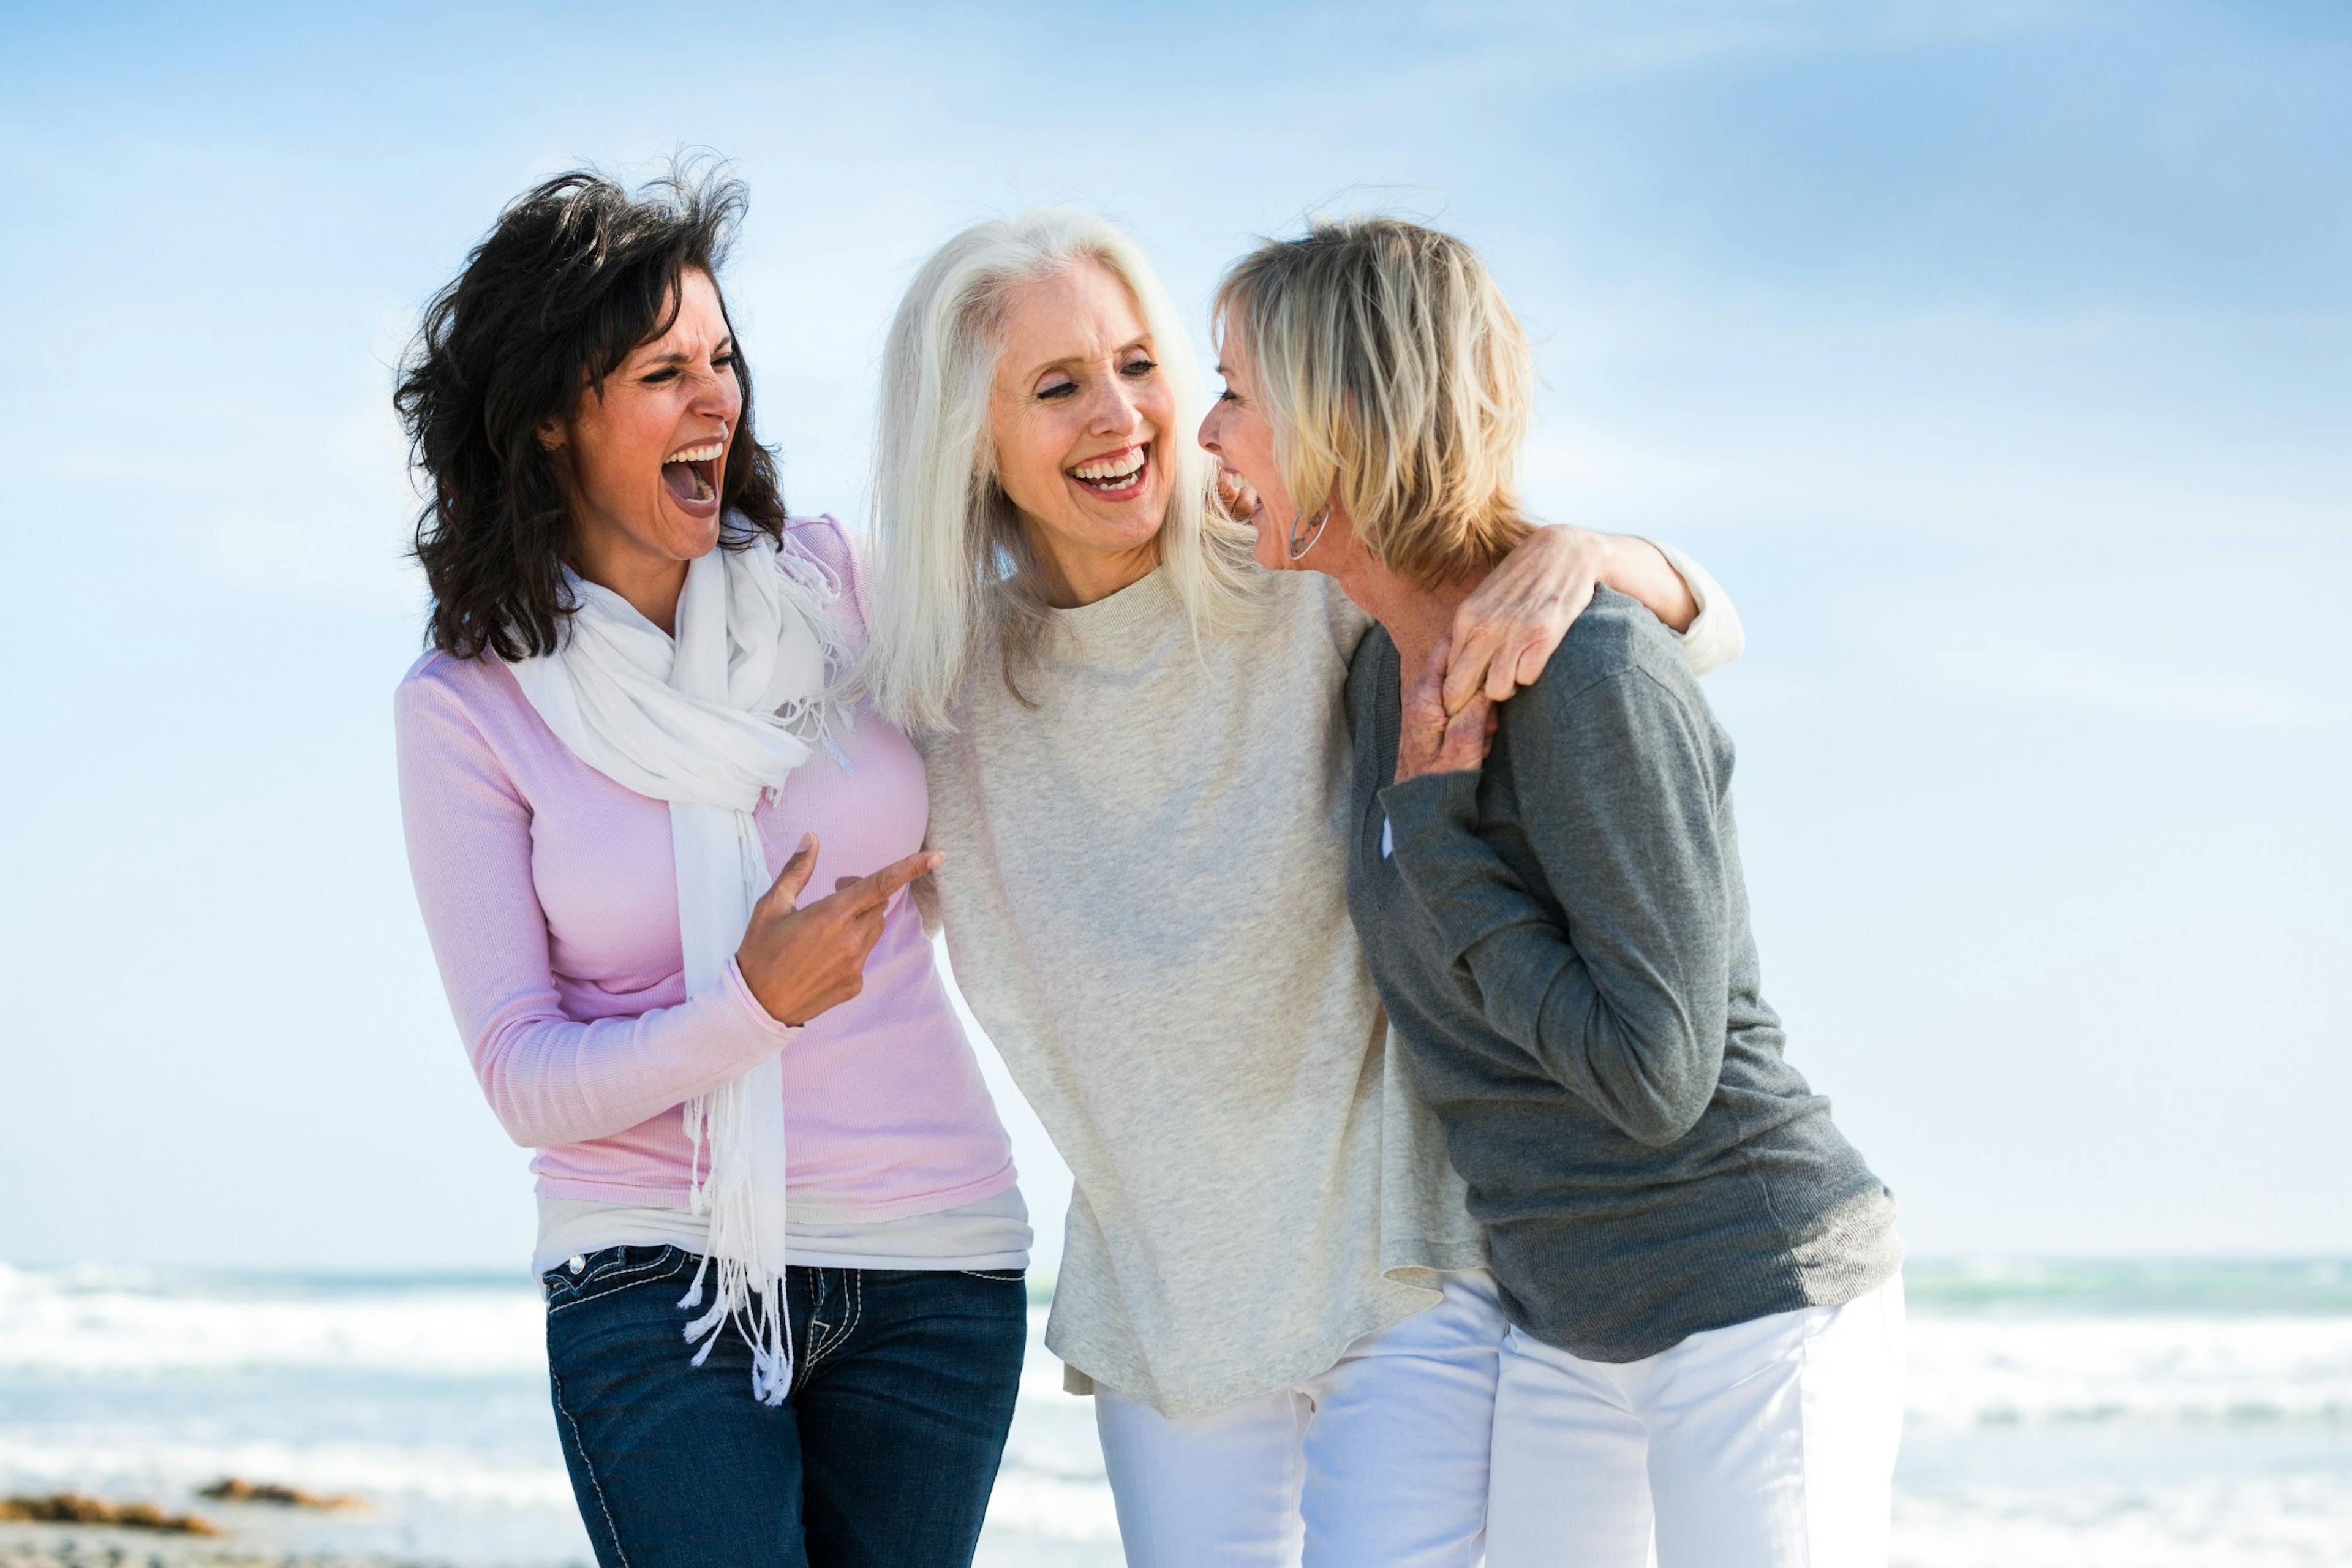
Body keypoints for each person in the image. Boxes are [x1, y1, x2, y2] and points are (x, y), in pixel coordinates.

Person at [858, 208, 1744, 1566]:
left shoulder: (1296, 565)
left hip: (1398, 1258)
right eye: (1057, 387)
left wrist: (1593, 553)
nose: (1125, 417)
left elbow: (1698, 627)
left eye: (1141, 365)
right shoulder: (938, 692)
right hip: (1166, 1303)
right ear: (963, 440)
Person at [1201, 215, 1907, 1568]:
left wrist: (1439, 836)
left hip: (1752, 1300)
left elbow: (1654, 1074)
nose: (1210, 435)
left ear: (1344, 419)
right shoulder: (1370, 672)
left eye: (1238, 392)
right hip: (1565, 1329)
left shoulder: (1589, 677)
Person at [391, 167, 1028, 1568]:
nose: (717, 397)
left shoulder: (839, 589)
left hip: (934, 1263)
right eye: (662, 370)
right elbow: (521, 1071)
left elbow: (1085, 645)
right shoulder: (468, 706)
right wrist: (751, 1006)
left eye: (724, 358)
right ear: (552, 414)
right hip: (651, 1270)